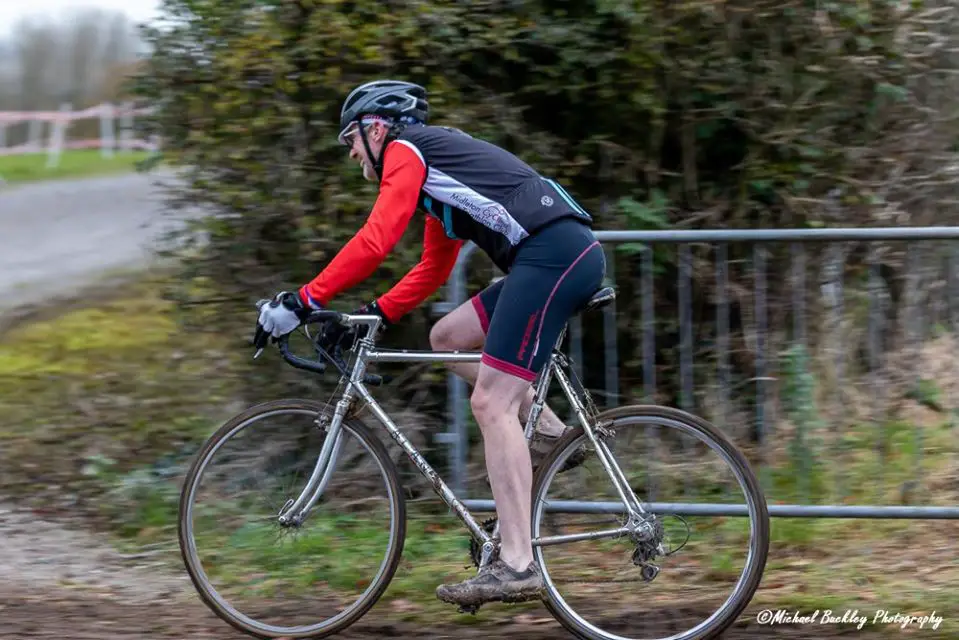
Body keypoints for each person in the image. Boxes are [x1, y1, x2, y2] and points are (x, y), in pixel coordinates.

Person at [254, 79, 606, 608]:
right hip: (554, 254)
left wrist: (303, 300)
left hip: (553, 257)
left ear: (377, 128)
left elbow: (376, 239)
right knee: (448, 336)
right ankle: (554, 437)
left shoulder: (407, 151)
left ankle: (516, 564)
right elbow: (431, 268)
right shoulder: (435, 180)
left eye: (351, 139)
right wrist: (374, 313)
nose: (352, 154)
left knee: (490, 403)